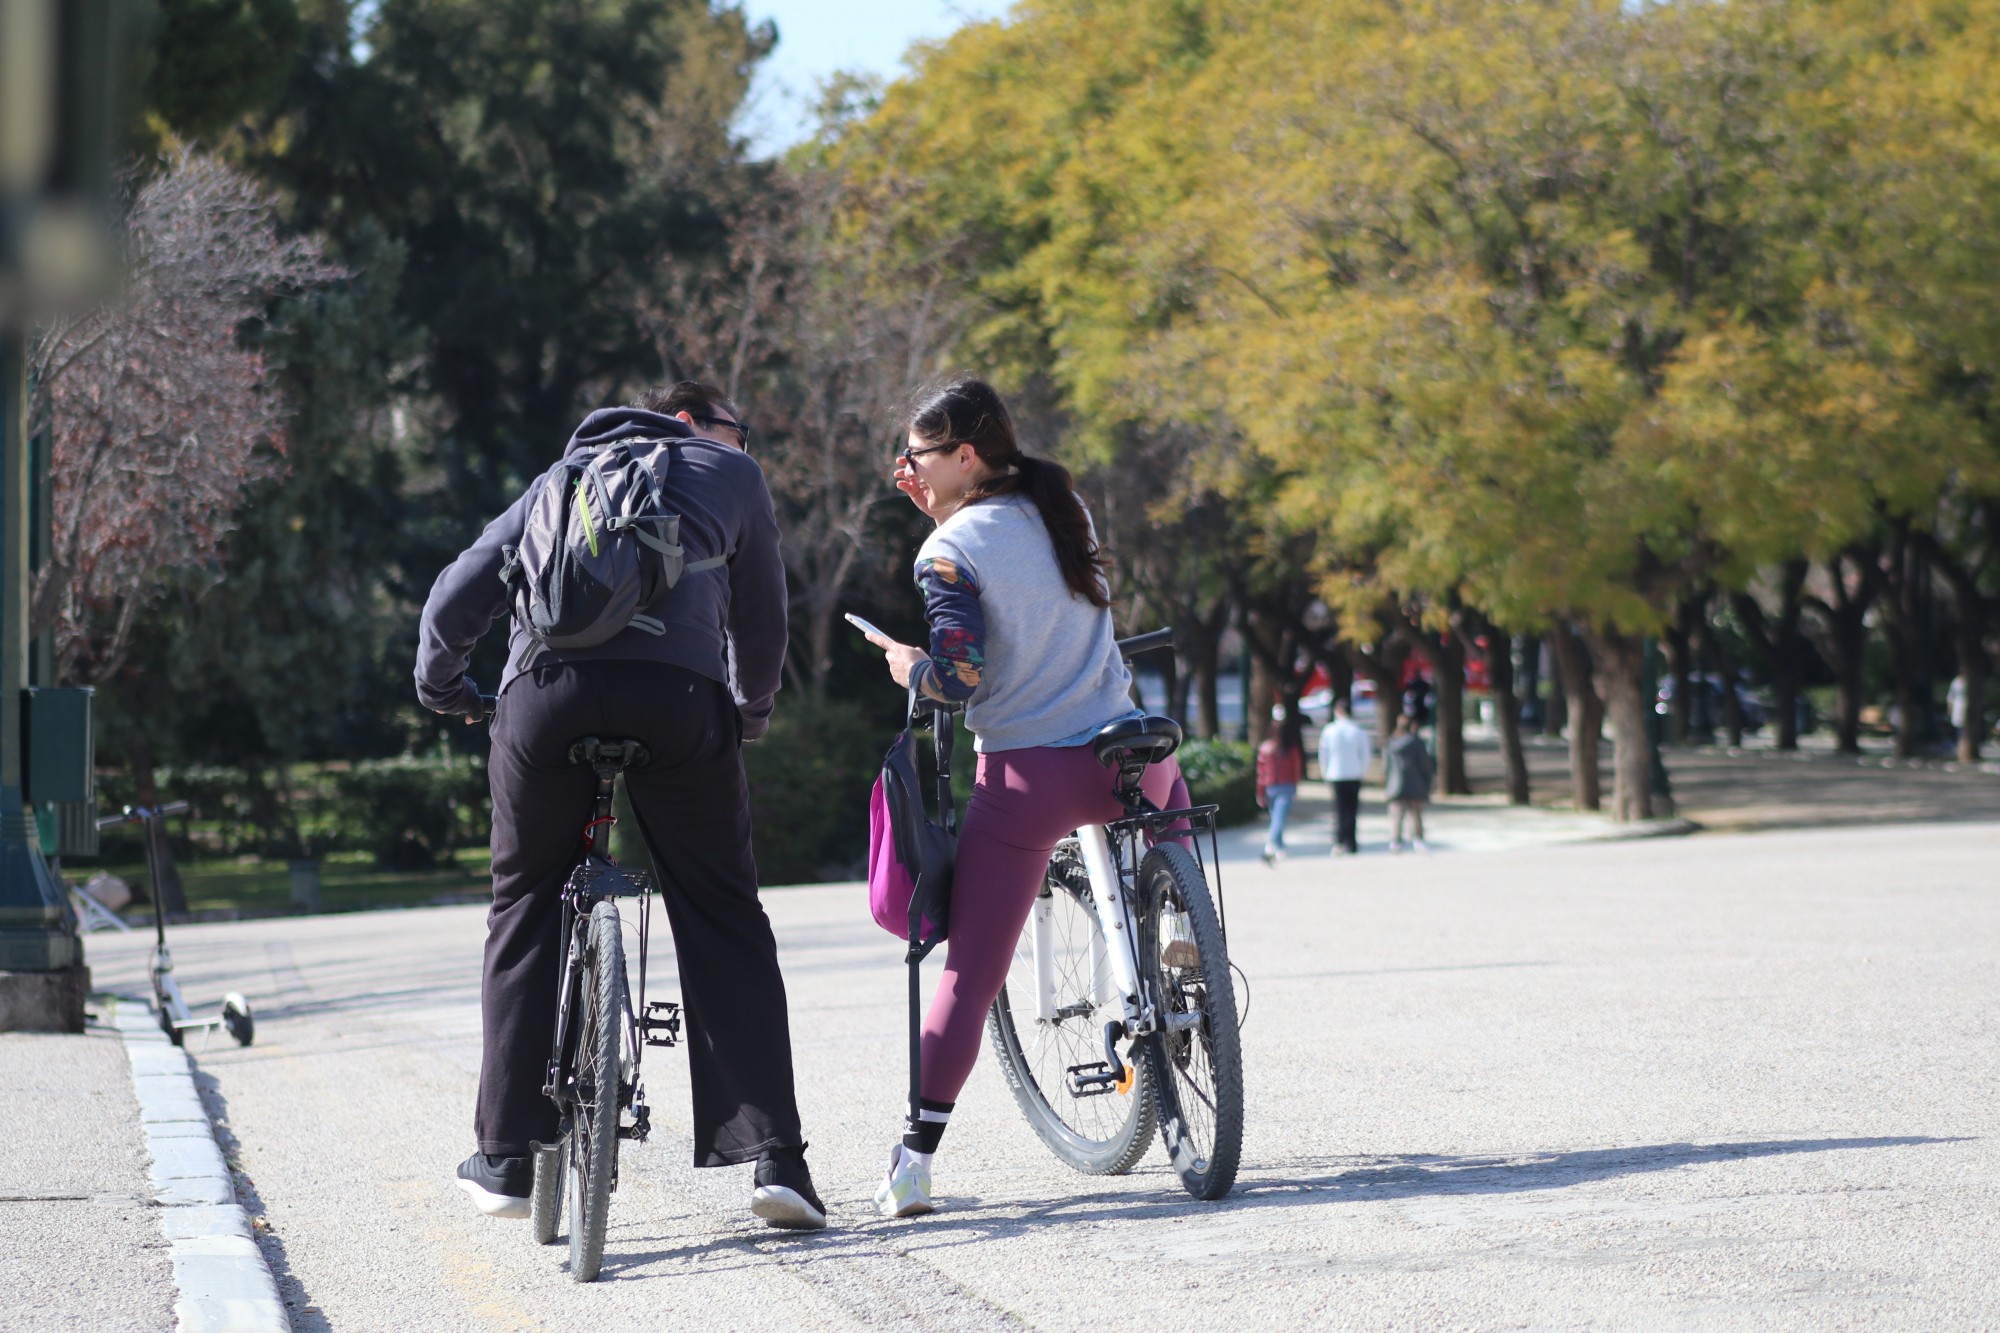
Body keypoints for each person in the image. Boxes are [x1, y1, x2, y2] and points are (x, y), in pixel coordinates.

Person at [414, 382, 827, 1231]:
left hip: (544, 696)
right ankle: (776, 1160)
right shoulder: (732, 475)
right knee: (721, 910)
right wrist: (746, 715)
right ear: (692, 423)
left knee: (523, 904)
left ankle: (502, 1157)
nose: (739, 443)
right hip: (680, 697)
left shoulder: (556, 479)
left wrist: (447, 688)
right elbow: (763, 619)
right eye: (734, 429)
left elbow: (457, 595)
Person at [859, 373, 1190, 1220]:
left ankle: (914, 1162)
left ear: (964, 455)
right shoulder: (1064, 509)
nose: (909, 469)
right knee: (1172, 797)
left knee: (969, 974)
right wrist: (942, 512)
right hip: (1128, 755)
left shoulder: (948, 551)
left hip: (1028, 777)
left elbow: (962, 677)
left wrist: (908, 666)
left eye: (918, 456)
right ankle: (1183, 927)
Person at [1318, 698, 1371, 855]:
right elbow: (1365, 755)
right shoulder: (1358, 731)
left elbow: (1324, 754)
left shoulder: (1330, 730)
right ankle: (1351, 842)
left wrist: (1325, 772)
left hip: (1336, 774)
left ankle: (1339, 841)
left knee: (1339, 809)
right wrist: (1362, 771)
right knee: (1352, 809)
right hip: (1354, 774)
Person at [1255, 705, 1305, 865]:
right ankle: (1272, 845)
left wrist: (1260, 791)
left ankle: (1278, 846)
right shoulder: (1291, 749)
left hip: (1270, 786)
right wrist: (1296, 785)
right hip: (1286, 785)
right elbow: (1296, 768)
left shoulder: (1265, 748)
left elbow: (1260, 773)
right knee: (1278, 818)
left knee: (1276, 817)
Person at [1383, 713, 1435, 852]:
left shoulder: (1391, 743)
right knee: (1416, 813)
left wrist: (1387, 781)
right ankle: (1417, 838)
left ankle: (1395, 840)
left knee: (1396, 814)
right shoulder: (1417, 743)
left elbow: (1385, 765)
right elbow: (1424, 764)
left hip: (1395, 783)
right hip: (1415, 782)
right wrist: (1427, 779)